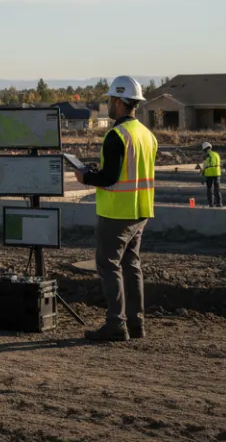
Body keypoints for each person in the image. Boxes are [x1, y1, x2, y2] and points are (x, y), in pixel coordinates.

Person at [70, 75, 158, 342]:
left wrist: (86, 177)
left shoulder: (116, 135)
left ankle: (116, 324)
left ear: (120, 102)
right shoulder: (146, 135)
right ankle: (136, 323)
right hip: (140, 210)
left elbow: (110, 178)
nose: (109, 104)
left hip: (116, 213)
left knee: (108, 265)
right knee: (132, 266)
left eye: (110, 100)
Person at [200, 141, 222, 207]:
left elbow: (205, 165)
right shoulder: (216, 154)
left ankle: (211, 204)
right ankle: (219, 203)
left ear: (205, 149)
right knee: (217, 189)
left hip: (209, 174)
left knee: (209, 189)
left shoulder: (207, 155)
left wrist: (202, 172)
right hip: (217, 173)